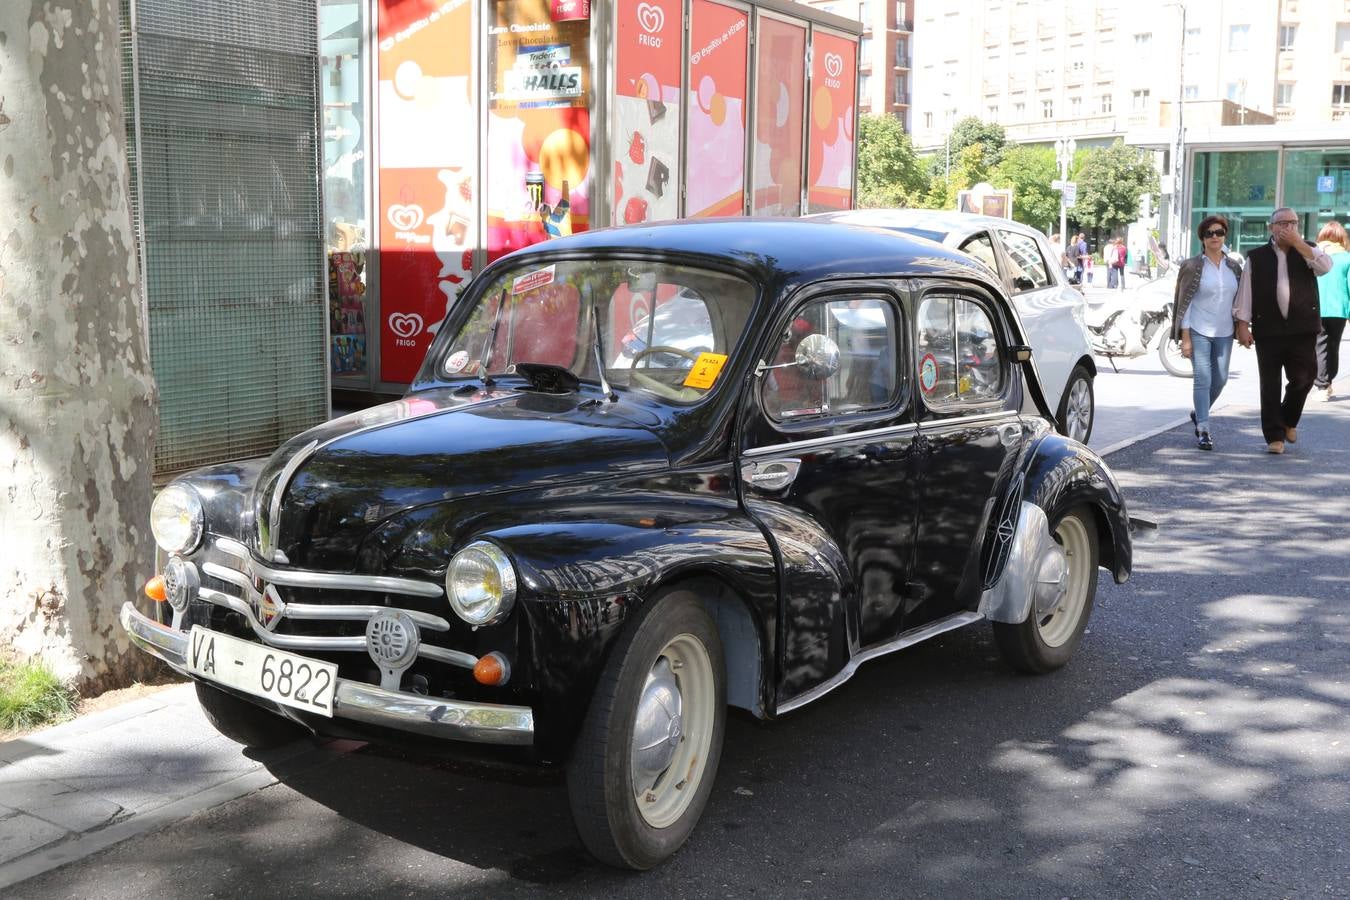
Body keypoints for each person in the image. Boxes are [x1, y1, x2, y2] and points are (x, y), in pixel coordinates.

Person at [1233, 208, 1334, 454]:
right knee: (1270, 383)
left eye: (1293, 223)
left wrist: (1298, 243)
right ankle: (1274, 436)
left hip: (1303, 328)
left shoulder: (1307, 249)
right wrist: (1242, 325)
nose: (1288, 227)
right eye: (1282, 223)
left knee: (1304, 378)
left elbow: (1325, 267)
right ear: (1271, 228)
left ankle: (1288, 419)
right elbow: (1246, 292)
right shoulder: (1256, 257)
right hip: (1268, 328)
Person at [1173, 215, 1243, 450]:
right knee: (1203, 379)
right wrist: (1185, 337)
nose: (1215, 237)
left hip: (1224, 330)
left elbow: (1240, 299)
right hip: (1198, 329)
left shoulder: (1233, 266)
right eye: (1209, 233)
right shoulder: (1193, 266)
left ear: (1225, 235)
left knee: (1220, 379)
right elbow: (1185, 303)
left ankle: (1198, 412)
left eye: (1219, 232)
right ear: (1202, 238)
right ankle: (1204, 429)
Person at [1313, 221, 1350, 402]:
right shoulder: (1347, 258)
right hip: (1339, 310)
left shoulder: (1314, 256)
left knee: (1319, 345)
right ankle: (1327, 382)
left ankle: (1321, 384)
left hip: (1315, 309)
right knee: (1333, 346)